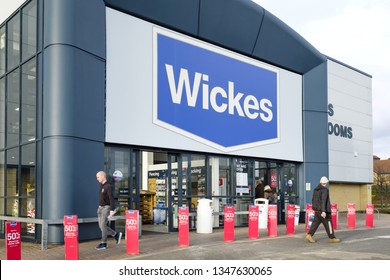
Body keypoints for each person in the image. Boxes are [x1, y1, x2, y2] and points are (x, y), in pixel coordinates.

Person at [305, 176, 340, 243]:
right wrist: (324, 211)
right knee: (329, 223)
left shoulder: (315, 190)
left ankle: (309, 235)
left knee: (315, 223)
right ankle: (332, 237)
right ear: (326, 182)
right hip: (324, 211)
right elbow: (323, 201)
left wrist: (315, 208)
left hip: (317, 211)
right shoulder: (325, 190)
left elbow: (313, 200)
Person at [95, 171, 122, 250]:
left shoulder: (108, 186)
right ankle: (116, 234)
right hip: (100, 208)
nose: (97, 179)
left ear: (103, 176)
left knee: (103, 225)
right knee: (101, 226)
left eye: (98, 177)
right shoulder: (101, 185)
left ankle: (104, 243)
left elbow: (111, 199)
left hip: (106, 208)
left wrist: (111, 210)